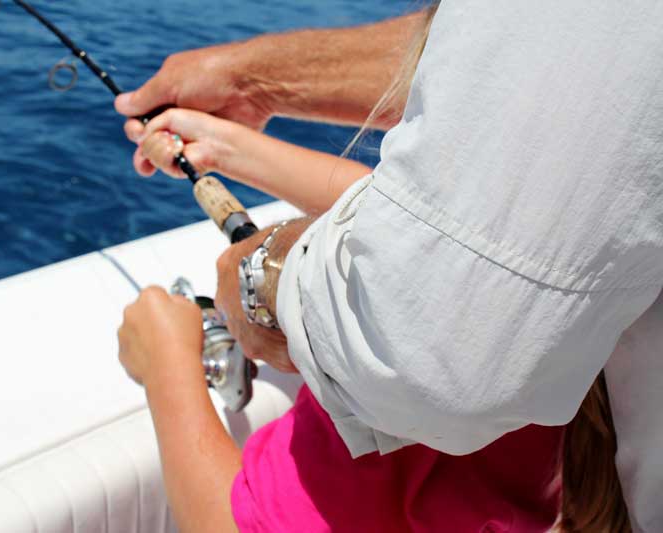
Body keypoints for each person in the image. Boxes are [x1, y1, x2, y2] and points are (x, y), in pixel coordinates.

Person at [116, 1, 663, 531]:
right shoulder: (569, 326)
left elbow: (234, 523)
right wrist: (226, 150)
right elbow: (411, 214)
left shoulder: (400, 391)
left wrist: (167, 362)